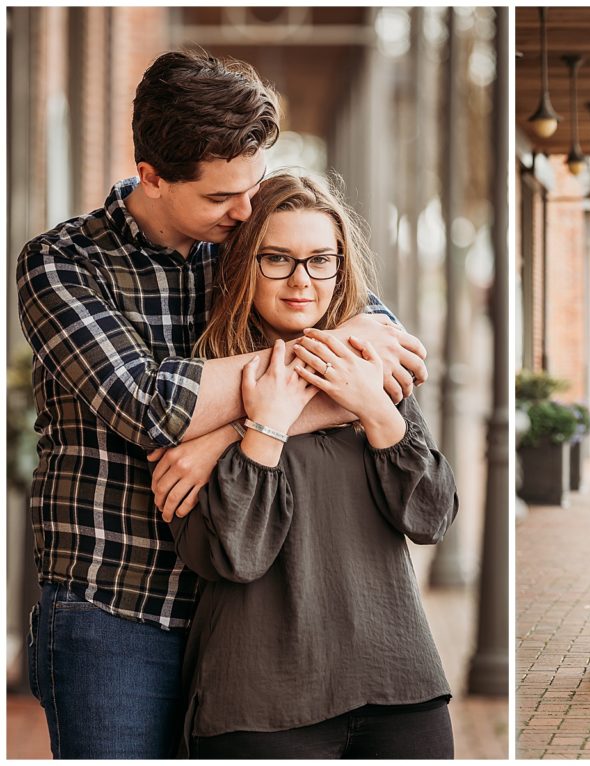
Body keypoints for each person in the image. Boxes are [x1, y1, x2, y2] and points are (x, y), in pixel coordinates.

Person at [17, 50, 426, 759]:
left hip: (249, 613)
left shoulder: (252, 236)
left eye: (253, 186)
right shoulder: (62, 263)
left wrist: (227, 432)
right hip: (118, 609)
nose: (243, 213)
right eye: (218, 198)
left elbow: (386, 361)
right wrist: (318, 377)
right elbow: (145, 404)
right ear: (151, 176)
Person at [169, 173, 457, 759]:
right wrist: (263, 428)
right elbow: (233, 554)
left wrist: (376, 408)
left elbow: (431, 517)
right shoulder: (204, 387)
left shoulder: (372, 368)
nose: (303, 281)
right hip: (261, 703)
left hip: (401, 687)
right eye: (277, 259)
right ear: (243, 264)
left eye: (321, 260)